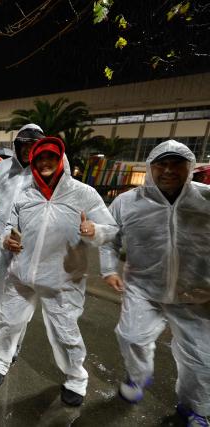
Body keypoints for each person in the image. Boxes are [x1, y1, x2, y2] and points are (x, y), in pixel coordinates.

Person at [0, 136, 118, 407]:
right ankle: (1, 360)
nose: (45, 162)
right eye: (39, 158)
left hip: (62, 280)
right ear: (33, 162)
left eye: (50, 157)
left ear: (61, 160)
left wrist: (95, 231)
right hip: (22, 275)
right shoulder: (24, 194)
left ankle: (75, 378)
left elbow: (112, 230)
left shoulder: (83, 194)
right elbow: (7, 226)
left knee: (65, 332)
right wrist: (6, 239)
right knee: (8, 322)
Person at [99, 140, 210, 426]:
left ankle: (193, 408)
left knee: (202, 359)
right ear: (151, 167)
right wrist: (109, 270)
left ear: (190, 166)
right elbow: (109, 239)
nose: (169, 170)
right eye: (162, 164)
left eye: (177, 164)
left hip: (197, 295)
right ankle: (138, 377)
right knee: (132, 337)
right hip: (143, 289)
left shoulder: (207, 200)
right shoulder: (128, 202)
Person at [0, 124, 44, 336]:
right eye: (24, 144)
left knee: (19, 286)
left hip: (26, 240)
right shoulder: (1, 168)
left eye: (34, 145)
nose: (27, 149)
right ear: (17, 145)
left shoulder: (42, 173)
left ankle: (11, 332)